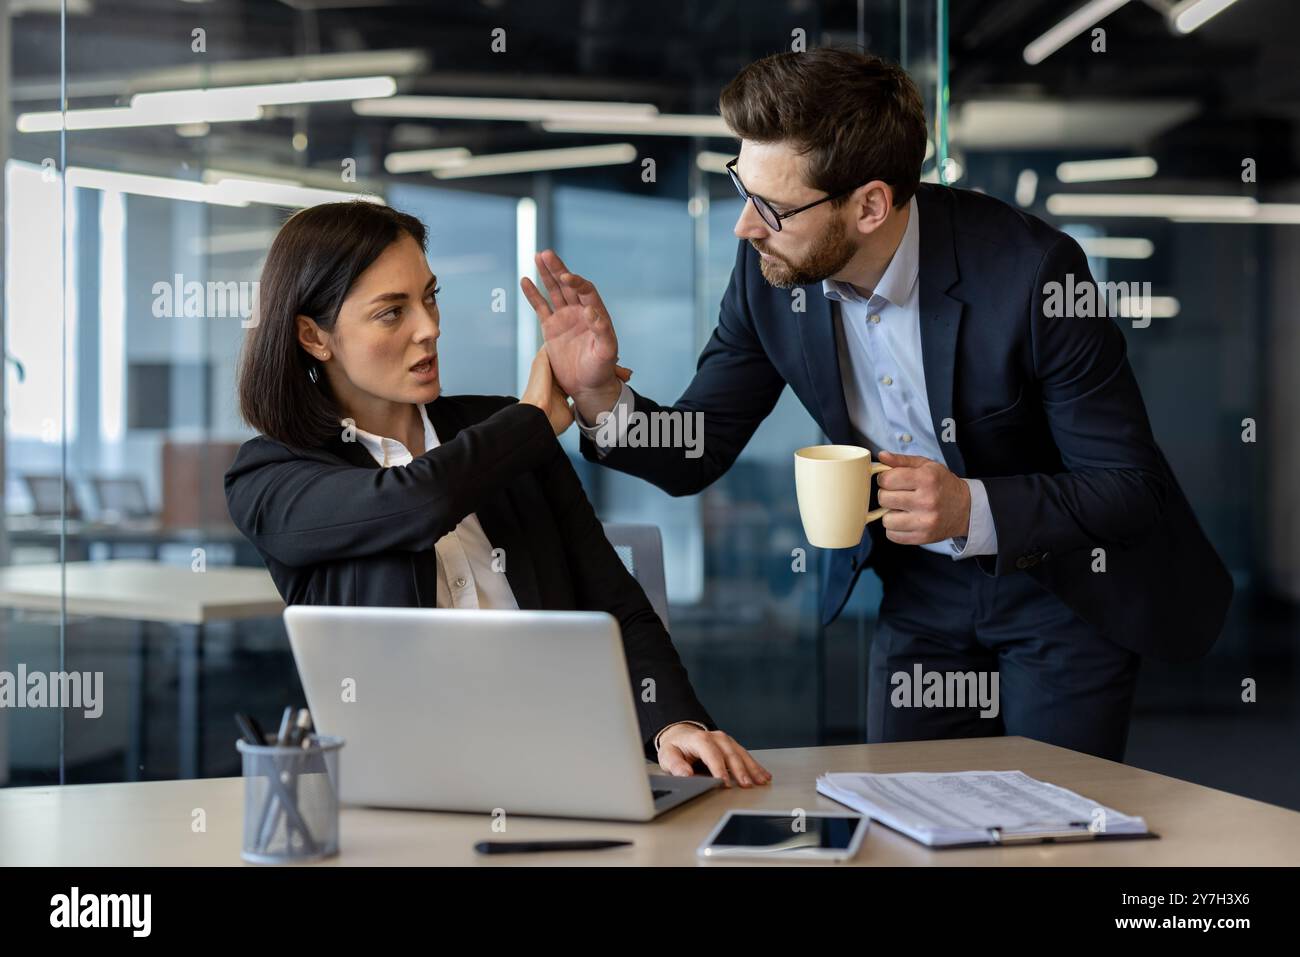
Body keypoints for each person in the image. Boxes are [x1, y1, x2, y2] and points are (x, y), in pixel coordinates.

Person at [524, 48, 1232, 763]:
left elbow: (1129, 487)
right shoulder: (771, 269)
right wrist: (601, 393)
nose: (743, 225)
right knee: (901, 815)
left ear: (869, 205)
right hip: (917, 591)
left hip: (1059, 589)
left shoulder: (1031, 273)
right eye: (741, 186)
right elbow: (696, 447)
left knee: (1047, 825)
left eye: (770, 205)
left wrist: (969, 509)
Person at [225, 200, 770, 787]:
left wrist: (670, 725)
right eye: (391, 313)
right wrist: (533, 420)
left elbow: (616, 603)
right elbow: (415, 503)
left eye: (430, 296)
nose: (429, 327)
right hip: (403, 793)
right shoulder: (272, 475)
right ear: (314, 336)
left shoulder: (505, 432)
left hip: (572, 767)